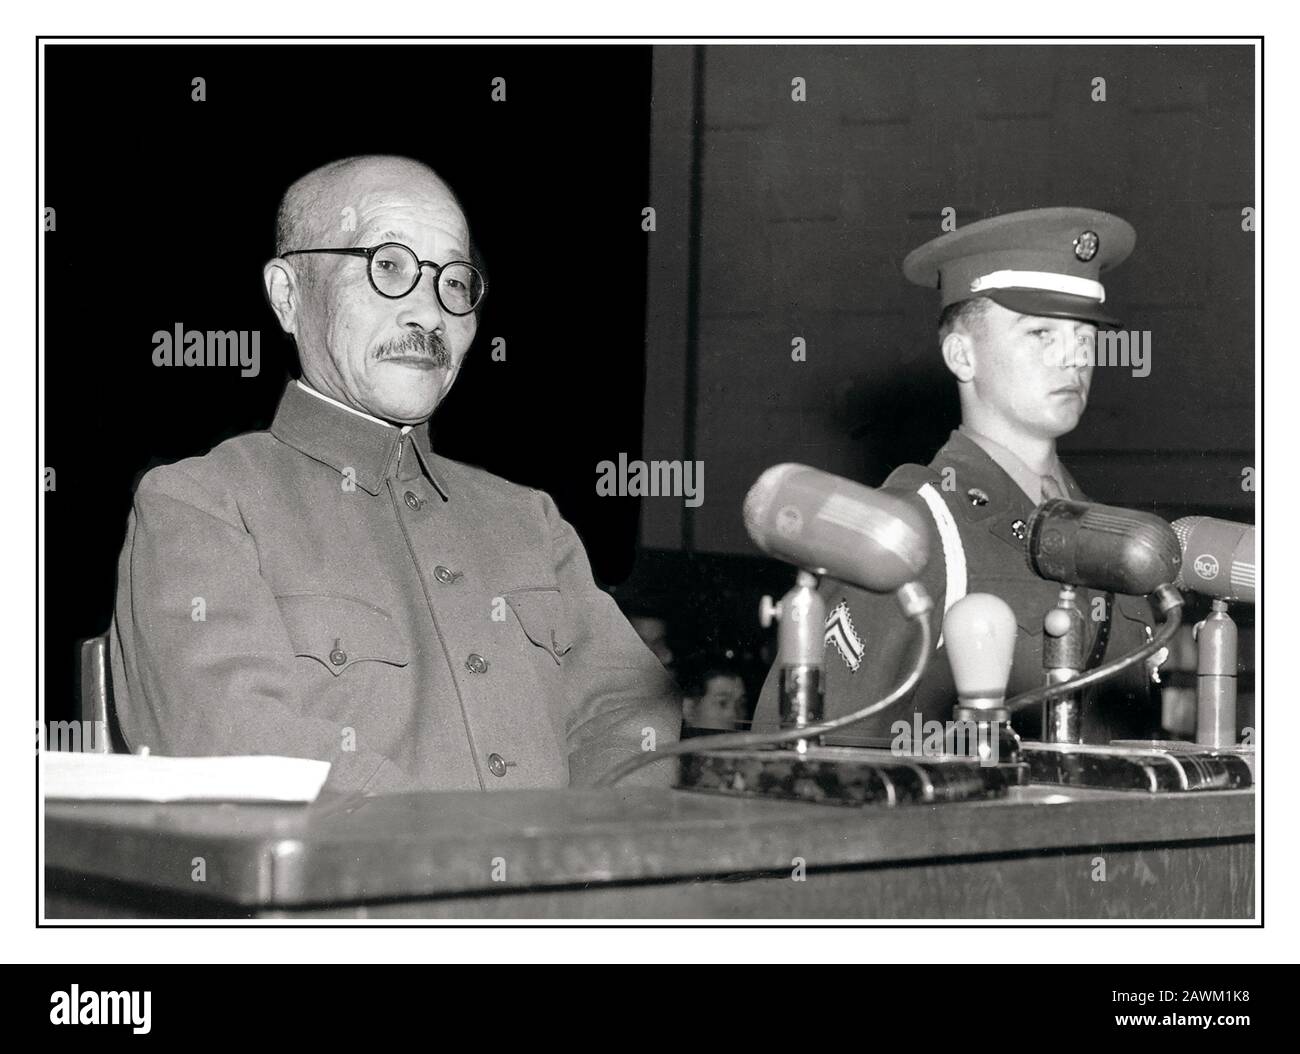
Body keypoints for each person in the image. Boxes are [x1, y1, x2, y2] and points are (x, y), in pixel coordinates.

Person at [110, 154, 680, 795]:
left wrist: (590, 862)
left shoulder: (529, 520)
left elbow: (631, 718)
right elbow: (235, 743)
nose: (430, 315)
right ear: (289, 297)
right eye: (388, 268)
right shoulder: (202, 505)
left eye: (455, 282)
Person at [754, 207, 1161, 744]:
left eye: (1084, 335)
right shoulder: (915, 529)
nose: (1073, 357)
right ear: (961, 355)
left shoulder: (1114, 539)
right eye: (1040, 332)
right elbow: (807, 756)